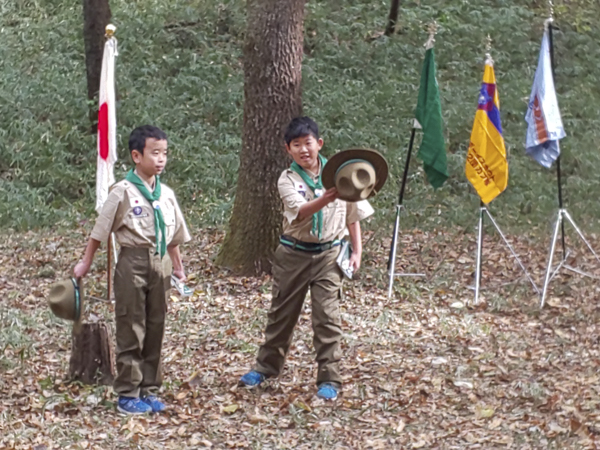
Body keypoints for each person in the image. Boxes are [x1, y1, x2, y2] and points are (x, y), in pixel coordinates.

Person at [239, 116, 373, 400]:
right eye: (296, 145)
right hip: (293, 254)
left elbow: (353, 216)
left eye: (307, 143)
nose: (303, 150)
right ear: (288, 149)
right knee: (281, 315)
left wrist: (358, 251)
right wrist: (327, 197)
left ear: (319, 143)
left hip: (330, 255)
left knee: (327, 317)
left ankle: (330, 379)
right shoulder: (287, 179)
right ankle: (265, 368)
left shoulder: (341, 174)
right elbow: (300, 211)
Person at [73, 125, 191, 414]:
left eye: (164, 153)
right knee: (131, 325)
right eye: (155, 153)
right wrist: (86, 262)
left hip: (159, 262)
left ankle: (149, 388)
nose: (161, 159)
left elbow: (173, 235)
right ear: (136, 155)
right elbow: (100, 231)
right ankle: (128, 392)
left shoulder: (166, 194)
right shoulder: (122, 191)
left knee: (156, 325)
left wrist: (178, 268)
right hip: (132, 261)